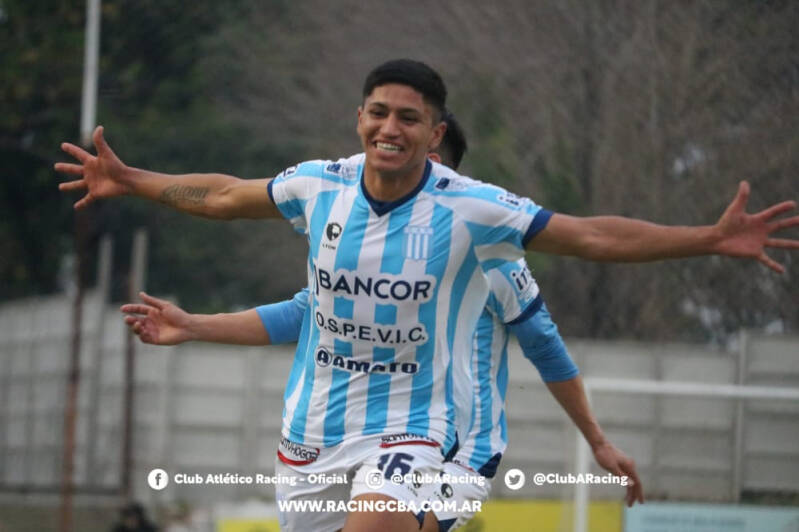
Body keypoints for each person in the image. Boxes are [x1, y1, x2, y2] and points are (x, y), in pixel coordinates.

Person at [58, 59, 798, 532]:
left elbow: (589, 244)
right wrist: (134, 185)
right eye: (379, 112)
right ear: (359, 119)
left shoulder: (479, 218)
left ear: (434, 136)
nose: (390, 128)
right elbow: (232, 209)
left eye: (408, 118)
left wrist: (706, 238)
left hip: (430, 437)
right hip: (313, 433)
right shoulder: (318, 188)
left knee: (376, 524)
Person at [120, 116, 641, 531]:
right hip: (336, 439)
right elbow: (302, 314)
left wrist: (597, 440)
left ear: (439, 167)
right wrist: (194, 326)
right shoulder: (362, 241)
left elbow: (545, 347)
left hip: (454, 452)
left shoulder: (488, 250)